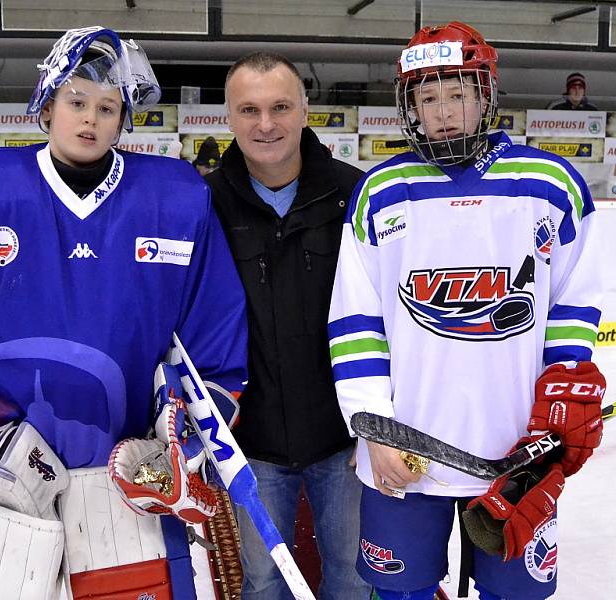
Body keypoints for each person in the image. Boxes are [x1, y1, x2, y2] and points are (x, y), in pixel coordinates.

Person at [0, 26, 247, 599]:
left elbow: (213, 318)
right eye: (76, 102)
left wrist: (196, 423)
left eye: (107, 107)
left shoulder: (174, 195)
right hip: (0, 457)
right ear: (46, 106)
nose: (90, 119)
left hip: (128, 464)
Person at [329, 22, 605, 600]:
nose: (444, 111)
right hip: (406, 453)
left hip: (516, 453)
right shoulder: (382, 190)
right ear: (410, 108)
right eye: (427, 98)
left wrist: (560, 396)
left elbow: (574, 303)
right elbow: (356, 324)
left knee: (515, 595)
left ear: (485, 96)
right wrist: (374, 429)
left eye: (458, 94)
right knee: (401, 594)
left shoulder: (547, 182)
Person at [205, 52, 369, 600]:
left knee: (352, 574)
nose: (266, 124)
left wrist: (376, 420)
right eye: (248, 109)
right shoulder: (204, 203)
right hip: (251, 443)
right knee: (261, 577)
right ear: (228, 117)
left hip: (343, 437)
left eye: (280, 107)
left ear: (305, 111)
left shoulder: (356, 195)